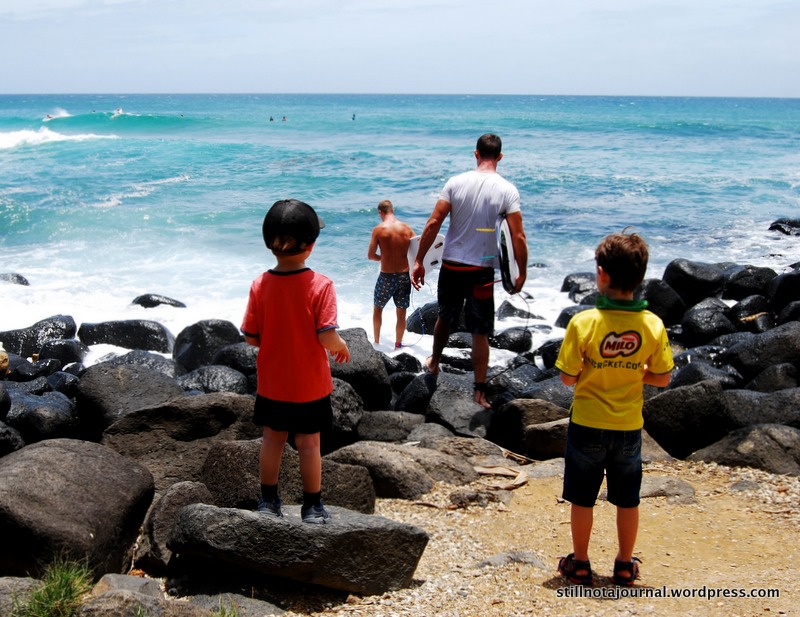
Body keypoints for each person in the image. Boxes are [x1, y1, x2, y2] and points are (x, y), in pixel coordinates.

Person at [555, 231, 674, 586]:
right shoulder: (651, 324)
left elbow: (566, 378)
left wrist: (594, 368)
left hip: (588, 424)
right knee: (627, 499)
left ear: (602, 274)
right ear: (640, 277)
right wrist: (637, 372)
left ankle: (579, 563)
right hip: (627, 427)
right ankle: (624, 564)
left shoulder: (584, 322)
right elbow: (664, 378)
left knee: (582, 499)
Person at [241, 198, 350, 524]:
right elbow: (326, 336)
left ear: (269, 244)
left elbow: (251, 337)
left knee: (272, 440)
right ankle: (312, 506)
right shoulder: (321, 285)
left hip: (273, 384)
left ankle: (269, 501)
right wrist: (340, 345)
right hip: (309, 386)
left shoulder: (260, 284)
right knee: (309, 444)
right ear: (311, 245)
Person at [411, 133, 528, 409]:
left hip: (452, 265)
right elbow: (518, 236)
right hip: (482, 271)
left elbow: (433, 222)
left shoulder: (455, 183)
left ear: (476, 154)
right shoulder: (507, 190)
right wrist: (520, 272)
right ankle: (479, 390)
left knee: (445, 317)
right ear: (499, 157)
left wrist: (419, 260)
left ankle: (435, 362)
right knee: (479, 330)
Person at [367, 200, 416, 348]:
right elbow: (418, 248)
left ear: (380, 213)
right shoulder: (407, 228)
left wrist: (383, 258)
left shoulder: (379, 229)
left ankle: (376, 342)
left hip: (386, 277)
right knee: (401, 312)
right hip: (404, 276)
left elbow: (371, 255)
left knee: (378, 309)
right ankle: (398, 344)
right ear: (392, 210)